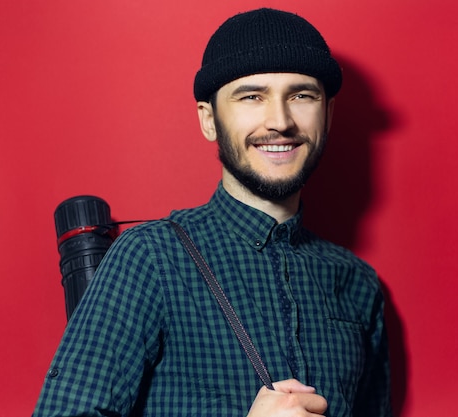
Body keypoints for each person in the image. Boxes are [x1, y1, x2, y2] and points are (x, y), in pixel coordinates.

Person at [33, 7, 392, 417]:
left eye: (301, 95)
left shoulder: (360, 286)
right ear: (209, 120)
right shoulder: (149, 258)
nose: (280, 121)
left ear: (327, 115)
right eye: (252, 97)